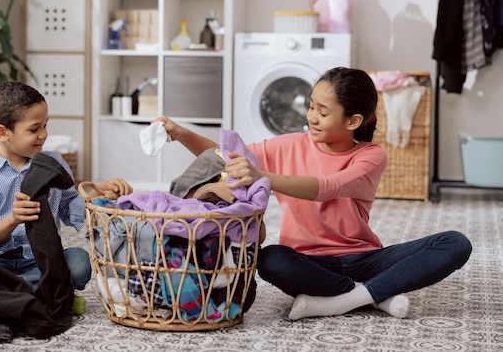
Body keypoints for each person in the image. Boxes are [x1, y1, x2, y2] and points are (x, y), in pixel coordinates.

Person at [154, 67, 472, 320]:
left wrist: (262, 176)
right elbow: (227, 155)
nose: (312, 116)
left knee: (455, 243)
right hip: (308, 262)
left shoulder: (371, 156)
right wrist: (182, 134)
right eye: (310, 106)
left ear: (353, 121)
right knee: (271, 259)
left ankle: (342, 300)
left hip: (365, 257)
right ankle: (373, 296)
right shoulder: (290, 144)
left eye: (323, 110)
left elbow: (327, 188)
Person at [0, 81, 132, 310]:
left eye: (45, 126)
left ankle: (2, 297)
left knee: (79, 261)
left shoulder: (54, 163)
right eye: (34, 129)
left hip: (40, 261)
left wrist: (100, 191)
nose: (43, 135)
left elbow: (73, 210)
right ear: (2, 132)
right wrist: (13, 219)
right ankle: (41, 294)